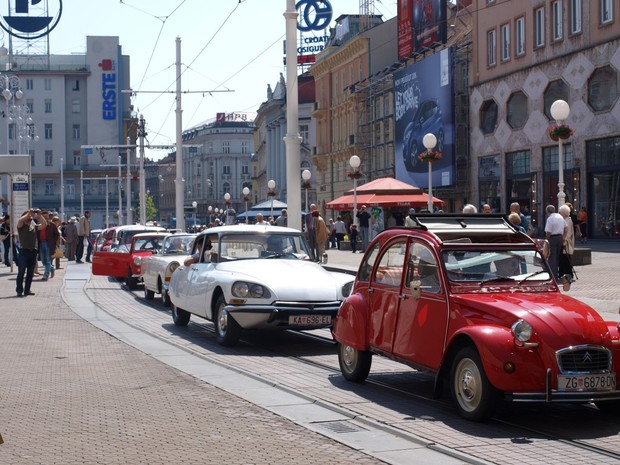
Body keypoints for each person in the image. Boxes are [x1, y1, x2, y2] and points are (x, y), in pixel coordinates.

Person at [16, 209, 47, 297]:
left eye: (30, 215)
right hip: (24, 251)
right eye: (28, 215)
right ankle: (19, 290)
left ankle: (27, 290)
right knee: (21, 272)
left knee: (30, 273)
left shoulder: (33, 226)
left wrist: (40, 215)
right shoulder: (21, 226)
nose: (30, 216)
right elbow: (20, 220)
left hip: (33, 251)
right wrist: (28, 213)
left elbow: (44, 225)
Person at [544, 204, 565, 281]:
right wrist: (563, 237)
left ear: (547, 211)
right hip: (560, 237)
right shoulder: (560, 216)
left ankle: (553, 276)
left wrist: (546, 240)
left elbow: (548, 232)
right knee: (557, 256)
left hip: (553, 238)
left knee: (552, 257)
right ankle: (556, 274)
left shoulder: (550, 218)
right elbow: (565, 227)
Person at [558, 204, 575, 288]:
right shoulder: (565, 220)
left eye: (560, 212)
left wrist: (563, 241)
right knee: (563, 260)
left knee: (566, 260)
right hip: (564, 242)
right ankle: (562, 274)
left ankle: (568, 275)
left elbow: (568, 233)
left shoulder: (568, 221)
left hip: (566, 243)